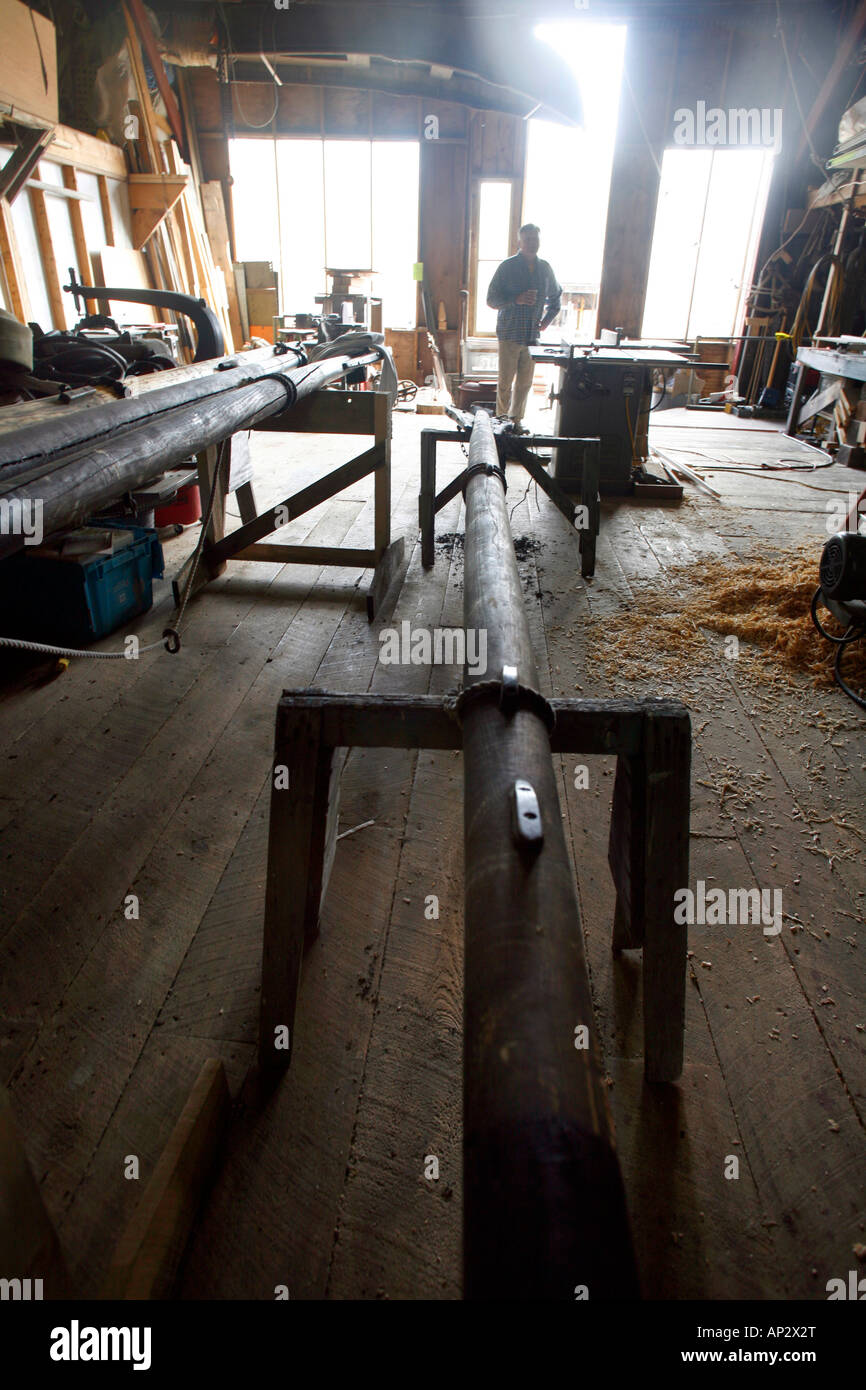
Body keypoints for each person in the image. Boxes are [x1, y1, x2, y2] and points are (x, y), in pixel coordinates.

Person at [486, 223, 562, 429]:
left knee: (525, 384)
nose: (531, 243)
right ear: (519, 241)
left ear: (539, 241)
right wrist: (515, 299)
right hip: (509, 333)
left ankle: (516, 421)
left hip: (531, 337)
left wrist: (545, 323)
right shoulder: (507, 267)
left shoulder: (545, 269)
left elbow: (556, 300)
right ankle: (501, 422)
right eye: (527, 239)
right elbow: (491, 299)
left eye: (535, 239)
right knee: (505, 383)